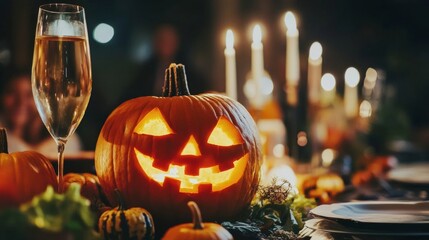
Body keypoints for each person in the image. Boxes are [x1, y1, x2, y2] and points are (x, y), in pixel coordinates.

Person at [0, 68, 82, 157]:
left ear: (41, 99)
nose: (20, 101)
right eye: (12, 92)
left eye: (29, 94)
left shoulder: (65, 141)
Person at [121, 24, 209, 101]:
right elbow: (131, 95)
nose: (165, 44)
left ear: (177, 42)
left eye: (169, 40)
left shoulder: (191, 75)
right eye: (161, 39)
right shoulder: (145, 72)